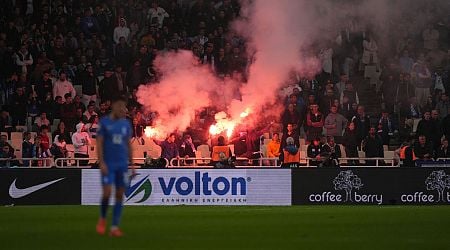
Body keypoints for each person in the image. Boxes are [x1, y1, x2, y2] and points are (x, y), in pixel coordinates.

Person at [96, 96, 134, 237]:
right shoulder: (104, 122)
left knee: (119, 195)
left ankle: (114, 227)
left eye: (124, 107)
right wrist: (101, 162)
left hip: (122, 164)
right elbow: (99, 143)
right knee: (107, 193)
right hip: (109, 163)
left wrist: (133, 165)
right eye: (120, 107)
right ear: (113, 106)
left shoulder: (126, 124)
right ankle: (103, 218)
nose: (123, 110)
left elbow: (128, 144)